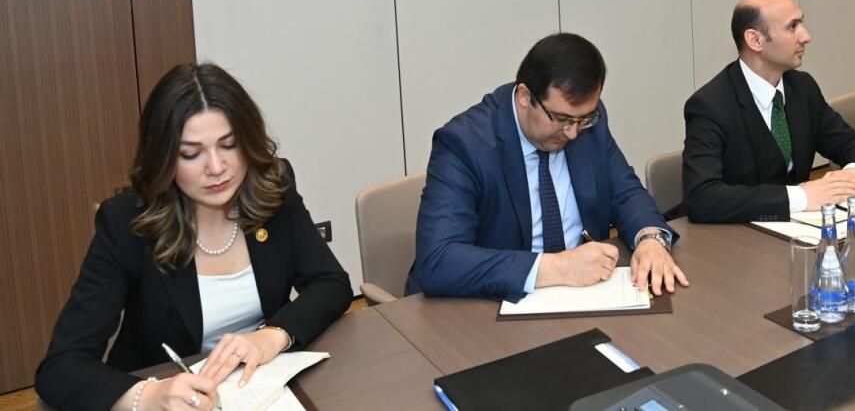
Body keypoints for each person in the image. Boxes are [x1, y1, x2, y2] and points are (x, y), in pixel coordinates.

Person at [36, 64, 351, 411]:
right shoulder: (127, 222)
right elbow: (60, 368)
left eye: (229, 145)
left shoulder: (273, 188)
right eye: (191, 153)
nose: (216, 167)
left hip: (260, 390)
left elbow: (331, 283)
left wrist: (271, 336)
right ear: (164, 157)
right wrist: (149, 395)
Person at [408, 33, 687, 301]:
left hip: (584, 294)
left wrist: (650, 239)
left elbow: (626, 192)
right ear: (525, 96)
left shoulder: (585, 121)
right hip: (488, 305)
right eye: (562, 119)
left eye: (584, 119)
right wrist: (558, 267)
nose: (573, 133)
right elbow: (438, 261)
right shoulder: (464, 144)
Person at [682, 0, 855, 224]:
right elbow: (702, 198)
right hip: (738, 236)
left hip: (801, 231)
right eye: (792, 27)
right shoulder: (710, 105)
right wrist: (802, 197)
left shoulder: (802, 87)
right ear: (755, 40)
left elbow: (850, 143)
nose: (806, 36)